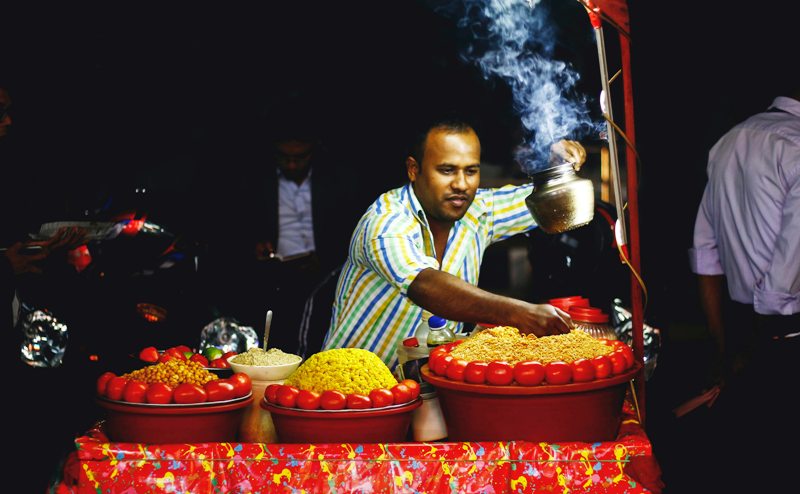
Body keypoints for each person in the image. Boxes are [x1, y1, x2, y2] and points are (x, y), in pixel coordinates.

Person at [323, 118, 586, 369]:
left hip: (431, 389)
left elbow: (550, 201)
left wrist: (558, 169)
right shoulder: (385, 221)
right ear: (414, 169)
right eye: (447, 170)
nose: (461, 184)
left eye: (471, 171)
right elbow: (425, 286)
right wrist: (520, 313)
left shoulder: (480, 211)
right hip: (352, 394)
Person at [689, 87, 800, 489]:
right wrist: (760, 340)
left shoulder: (728, 142)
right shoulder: (796, 146)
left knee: (755, 464)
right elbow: (781, 286)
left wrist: (724, 348)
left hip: (744, 332)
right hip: (785, 336)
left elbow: (705, 255)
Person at [207, 107, 365, 357]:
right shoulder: (253, 182)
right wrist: (254, 245)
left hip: (323, 274)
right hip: (270, 274)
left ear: (314, 150)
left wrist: (325, 257)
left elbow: (351, 231)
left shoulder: (339, 182)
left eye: (300, 157)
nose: (292, 164)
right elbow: (232, 226)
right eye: (284, 157)